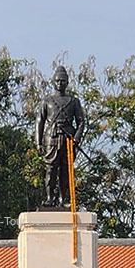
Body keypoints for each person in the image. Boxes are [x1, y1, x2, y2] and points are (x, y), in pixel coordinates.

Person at [35, 66, 85, 207]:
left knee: (65, 170)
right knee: (51, 169)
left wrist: (76, 139)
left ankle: (64, 199)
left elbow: (81, 122)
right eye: (57, 81)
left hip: (68, 139)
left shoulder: (74, 101)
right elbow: (39, 121)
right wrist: (38, 142)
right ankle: (50, 198)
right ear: (53, 82)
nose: (60, 83)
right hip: (51, 138)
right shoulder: (47, 101)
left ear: (67, 82)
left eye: (63, 81)